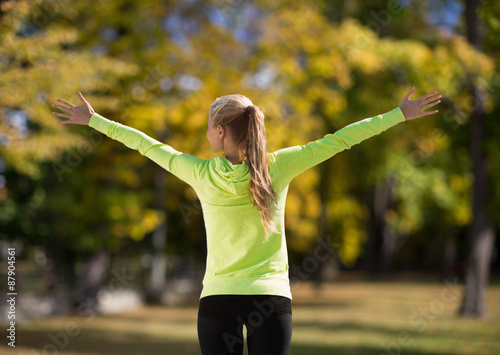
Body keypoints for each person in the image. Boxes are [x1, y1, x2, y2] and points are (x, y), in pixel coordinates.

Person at [52, 87, 441, 355]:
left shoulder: (200, 173)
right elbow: (340, 139)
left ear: (220, 132)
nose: (206, 134)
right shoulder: (281, 165)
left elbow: (145, 143)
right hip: (272, 300)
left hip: (217, 299)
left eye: (208, 128)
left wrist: (94, 120)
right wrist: (397, 115)